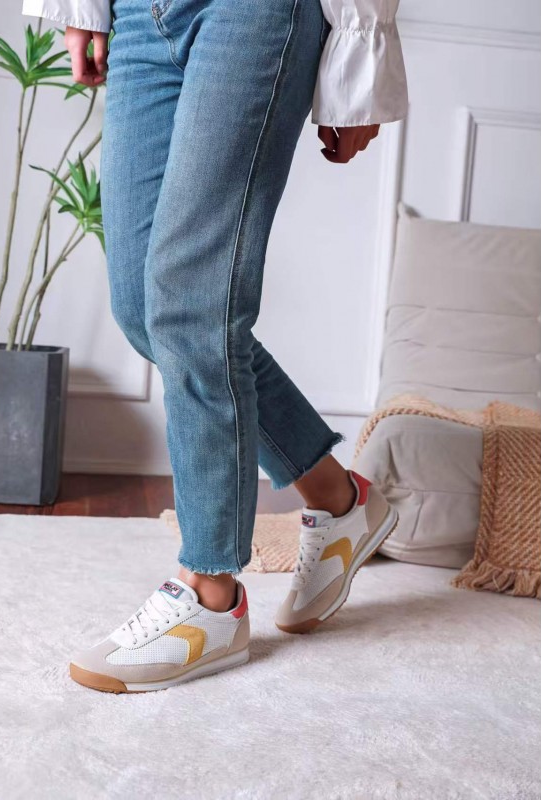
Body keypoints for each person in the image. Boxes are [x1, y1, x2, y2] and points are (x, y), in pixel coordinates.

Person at [22, 0, 407, 693]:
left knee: (193, 302)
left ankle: (210, 596)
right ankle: (339, 497)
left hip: (254, 14)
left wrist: (361, 57)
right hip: (140, 15)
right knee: (145, 309)